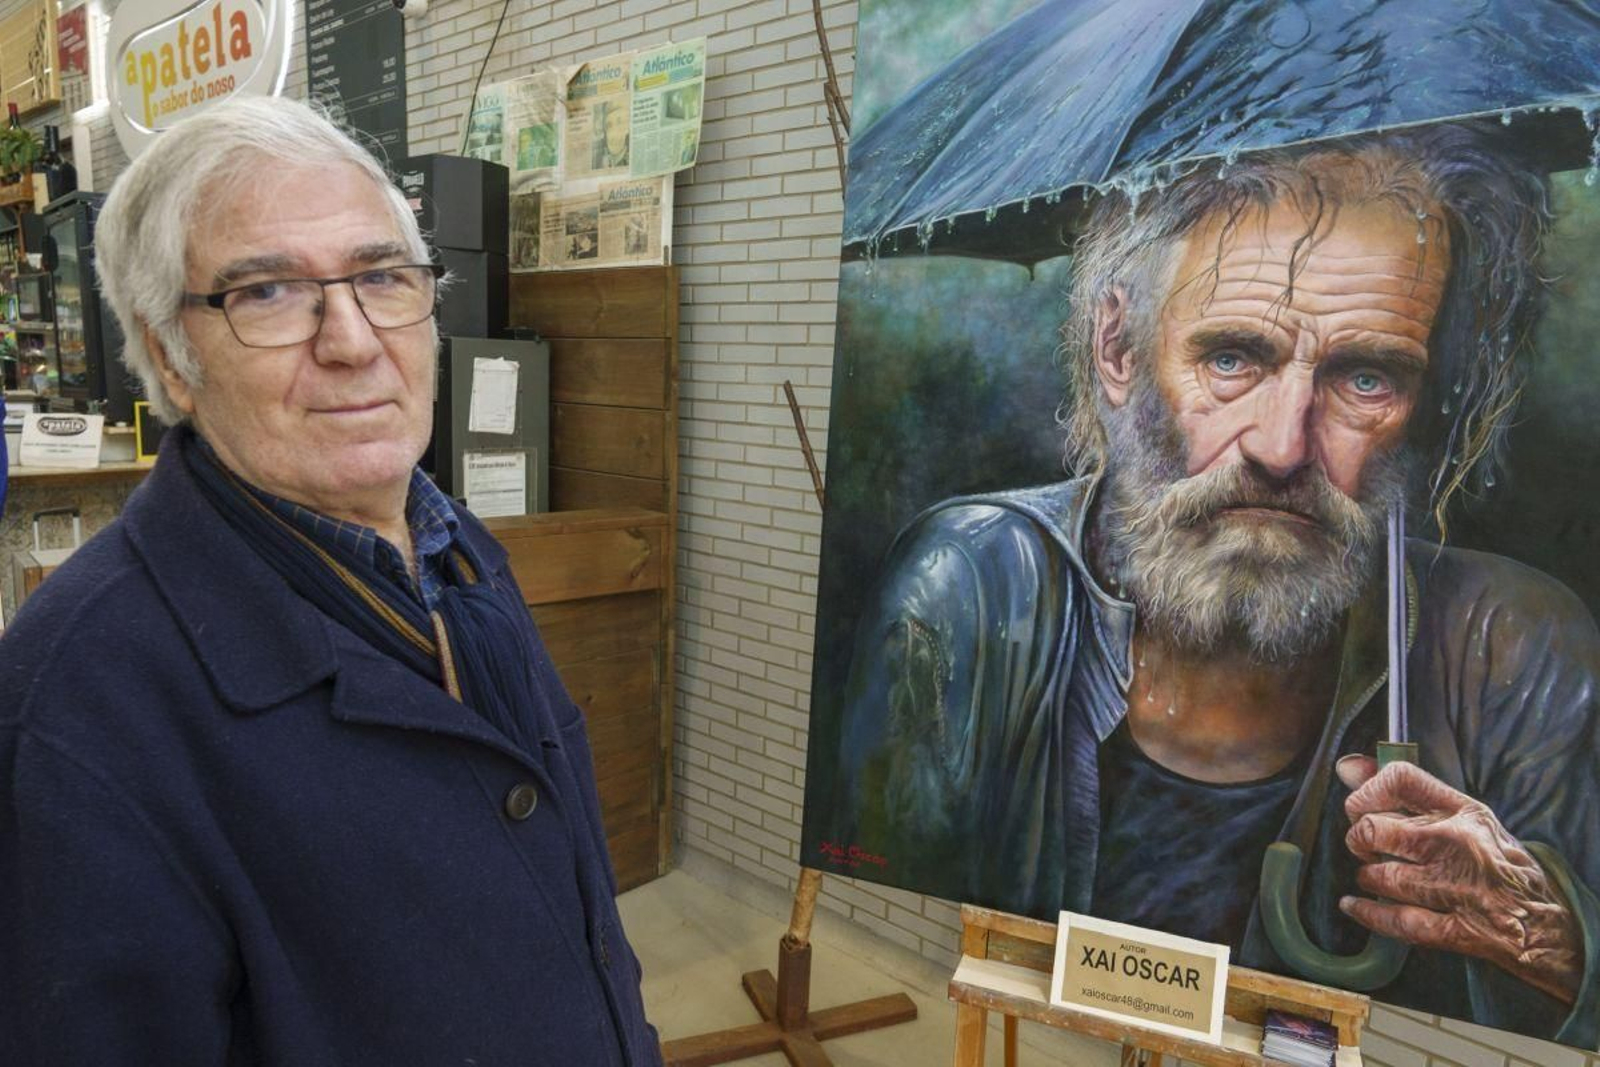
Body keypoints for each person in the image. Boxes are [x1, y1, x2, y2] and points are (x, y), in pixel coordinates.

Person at [830, 123, 1600, 1047]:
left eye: (1365, 377)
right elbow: (889, 897)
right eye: (1233, 358)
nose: (1283, 447)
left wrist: (1554, 937)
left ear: (1424, 396)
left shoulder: (1517, 647)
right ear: (1118, 346)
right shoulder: (972, 589)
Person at [0, 97, 662, 1065]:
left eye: (383, 275)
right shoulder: (76, 709)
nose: (353, 339)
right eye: (268, 292)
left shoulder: (450, 544)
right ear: (170, 359)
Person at [593, 100, 630, 170]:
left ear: (627, 128)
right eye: (609, 125)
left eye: (619, 122)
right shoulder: (597, 160)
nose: (613, 133)